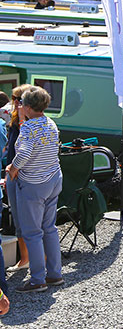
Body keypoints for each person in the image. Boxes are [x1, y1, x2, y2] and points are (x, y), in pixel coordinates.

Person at [10, 86, 63, 292]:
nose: (20, 106)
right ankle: (55, 274)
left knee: (32, 232)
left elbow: (24, 154)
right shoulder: (51, 123)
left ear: (29, 107)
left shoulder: (28, 128)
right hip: (53, 179)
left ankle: (37, 279)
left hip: (33, 183)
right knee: (49, 228)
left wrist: (13, 168)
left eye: (21, 103)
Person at [4, 85, 32, 272]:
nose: (14, 103)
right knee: (17, 218)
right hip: (12, 175)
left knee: (26, 219)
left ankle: (28, 259)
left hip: (23, 175)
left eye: (17, 99)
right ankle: (25, 258)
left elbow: (24, 151)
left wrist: (12, 170)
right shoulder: (14, 121)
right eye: (14, 99)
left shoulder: (29, 123)